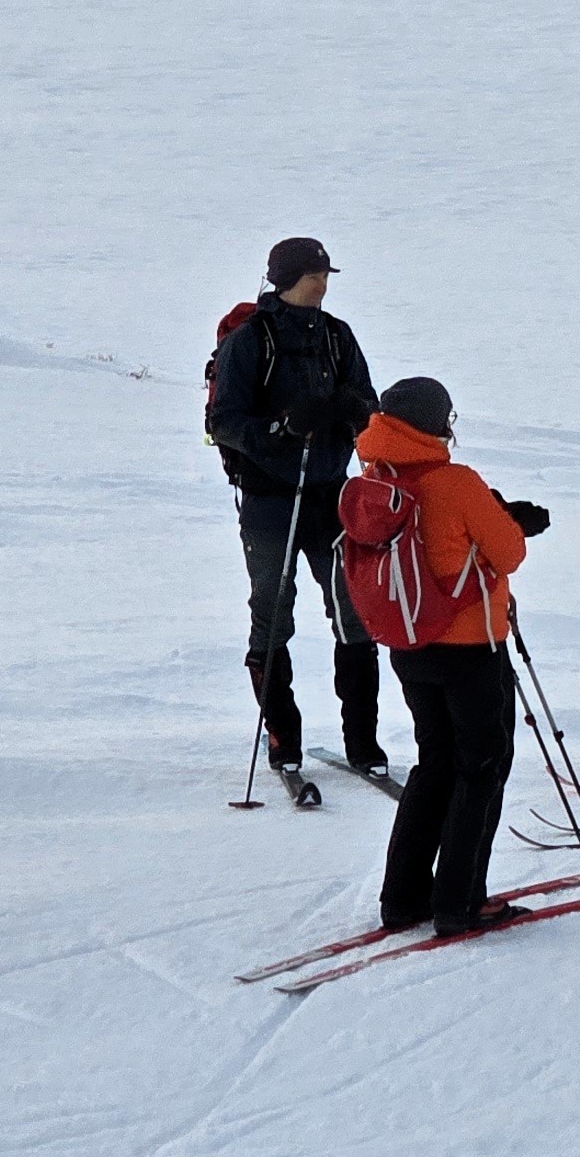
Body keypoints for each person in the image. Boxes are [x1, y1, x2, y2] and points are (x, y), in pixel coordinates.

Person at [352, 378, 543, 934]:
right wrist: (506, 520)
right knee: (481, 768)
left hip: (408, 645)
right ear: (437, 424)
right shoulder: (455, 482)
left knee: (434, 763)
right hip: (470, 646)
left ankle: (404, 896)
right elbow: (508, 552)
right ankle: (460, 901)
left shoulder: (373, 478)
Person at [206, 236, 384, 777]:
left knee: (352, 611)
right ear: (285, 280)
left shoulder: (336, 336)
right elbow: (223, 424)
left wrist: (354, 411)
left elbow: (369, 408)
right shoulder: (251, 342)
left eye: (327, 275)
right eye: (314, 277)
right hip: (269, 497)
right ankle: (283, 737)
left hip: (331, 491)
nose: (323, 285)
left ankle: (364, 745)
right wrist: (281, 429)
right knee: (273, 611)